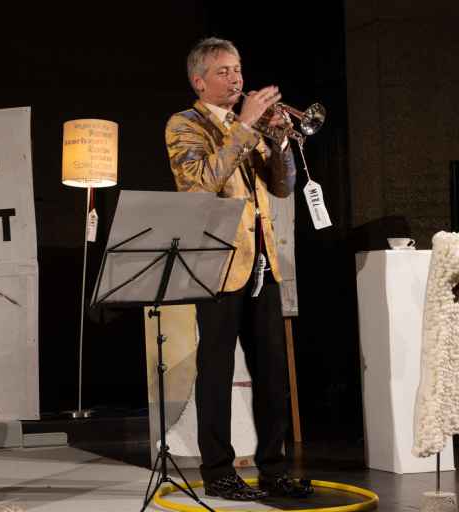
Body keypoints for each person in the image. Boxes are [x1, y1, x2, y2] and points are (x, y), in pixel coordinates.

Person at [165, 37, 311, 501]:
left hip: (263, 262)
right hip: (217, 264)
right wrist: (245, 126)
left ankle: (274, 469)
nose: (236, 79)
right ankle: (218, 471)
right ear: (199, 81)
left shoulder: (248, 128)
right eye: (224, 71)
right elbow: (198, 184)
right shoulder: (185, 124)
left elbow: (283, 187)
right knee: (216, 371)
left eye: (238, 69)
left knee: (272, 372)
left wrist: (280, 140)